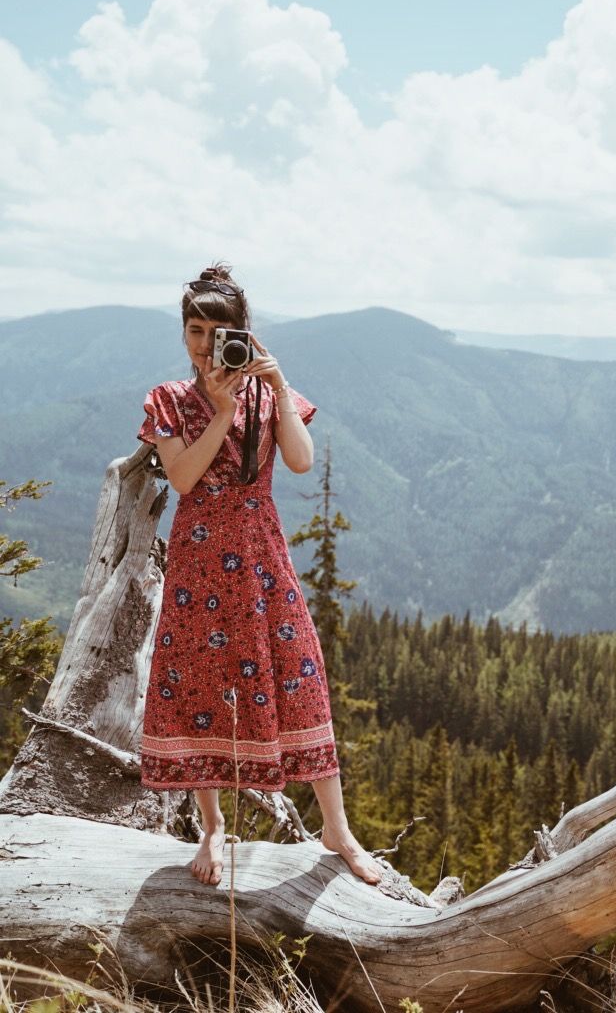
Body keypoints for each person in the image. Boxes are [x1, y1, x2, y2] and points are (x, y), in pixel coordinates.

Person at [136, 262, 384, 887]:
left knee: (298, 667)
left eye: (215, 332)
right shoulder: (167, 399)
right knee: (196, 681)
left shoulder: (269, 392)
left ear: (241, 335)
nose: (202, 344)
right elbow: (185, 479)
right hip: (198, 554)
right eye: (193, 329)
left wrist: (276, 381)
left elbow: (299, 462)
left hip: (260, 549)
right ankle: (213, 826)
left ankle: (337, 827)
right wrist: (220, 413)